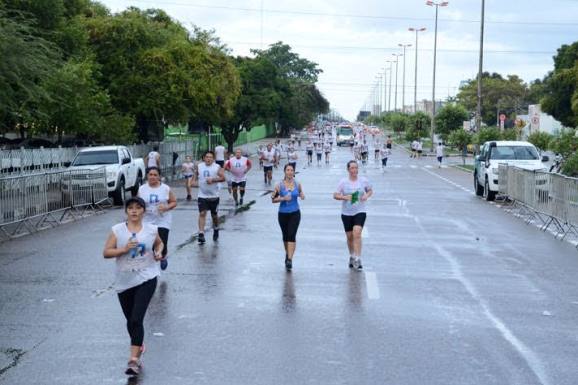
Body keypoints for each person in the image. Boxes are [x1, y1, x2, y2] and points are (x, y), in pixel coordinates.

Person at [103, 197, 164, 376]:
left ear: (143, 211)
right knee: (130, 321)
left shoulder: (152, 230)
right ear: (126, 211)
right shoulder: (117, 230)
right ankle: (139, 346)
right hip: (124, 281)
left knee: (137, 319)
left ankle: (133, 360)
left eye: (138, 208)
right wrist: (123, 249)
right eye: (131, 208)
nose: (134, 211)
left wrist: (158, 251)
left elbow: (159, 243)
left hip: (147, 277)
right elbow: (106, 252)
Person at [333, 160, 373, 270]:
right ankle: (352, 255)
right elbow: (335, 195)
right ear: (348, 170)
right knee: (350, 237)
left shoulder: (363, 181)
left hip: (360, 211)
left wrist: (367, 196)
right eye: (352, 168)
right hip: (346, 213)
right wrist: (344, 197)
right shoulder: (343, 182)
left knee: (357, 233)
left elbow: (370, 190)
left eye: (356, 168)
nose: (354, 170)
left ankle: (358, 258)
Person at [138, 167, 177, 271]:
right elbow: (137, 204)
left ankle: (162, 256)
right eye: (150, 174)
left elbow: (174, 202)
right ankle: (149, 265)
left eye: (155, 175)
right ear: (147, 176)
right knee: (148, 242)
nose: (153, 177)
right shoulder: (142, 189)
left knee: (162, 242)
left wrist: (166, 207)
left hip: (163, 220)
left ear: (159, 177)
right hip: (147, 220)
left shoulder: (165, 188)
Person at [271, 164, 305, 271]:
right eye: (288, 170)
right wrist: (283, 198)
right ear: (284, 172)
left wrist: (302, 195)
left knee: (291, 234)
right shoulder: (279, 185)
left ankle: (290, 259)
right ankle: (287, 254)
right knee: (285, 236)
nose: (290, 172)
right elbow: (273, 199)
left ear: (294, 172)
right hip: (283, 214)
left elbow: (300, 193)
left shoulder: (297, 184)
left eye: (292, 170)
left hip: (295, 213)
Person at [192, 151, 225, 244]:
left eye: (210, 157)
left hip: (214, 196)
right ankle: (201, 234)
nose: (208, 158)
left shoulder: (216, 167)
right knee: (202, 213)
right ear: (204, 158)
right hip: (202, 195)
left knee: (214, 215)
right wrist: (193, 182)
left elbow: (223, 178)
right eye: (207, 157)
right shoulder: (199, 166)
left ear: (213, 159)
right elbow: (195, 177)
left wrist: (213, 180)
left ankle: (216, 228)